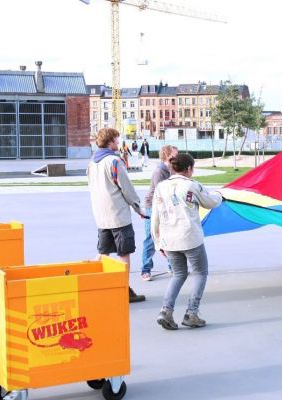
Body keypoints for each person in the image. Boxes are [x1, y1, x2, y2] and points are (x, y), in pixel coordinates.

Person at [152, 153, 222, 330]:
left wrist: (157, 241)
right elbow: (211, 202)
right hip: (190, 237)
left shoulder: (161, 187)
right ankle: (192, 312)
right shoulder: (192, 186)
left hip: (169, 238)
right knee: (200, 273)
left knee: (178, 274)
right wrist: (221, 195)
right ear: (189, 169)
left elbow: (155, 216)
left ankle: (165, 310)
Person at [87, 127, 146, 303]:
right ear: (110, 141)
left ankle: (98, 286)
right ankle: (123, 289)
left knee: (103, 252)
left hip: (101, 215)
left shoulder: (92, 163)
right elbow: (126, 187)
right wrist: (138, 207)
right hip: (118, 214)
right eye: (116, 139)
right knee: (124, 253)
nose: (118, 142)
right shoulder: (113, 161)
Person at [140, 145, 178, 281]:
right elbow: (162, 192)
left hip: (165, 206)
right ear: (167, 155)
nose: (177, 156)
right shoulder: (159, 171)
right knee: (151, 238)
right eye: (175, 154)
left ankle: (172, 266)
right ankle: (145, 269)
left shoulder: (173, 169)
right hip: (153, 206)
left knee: (169, 236)